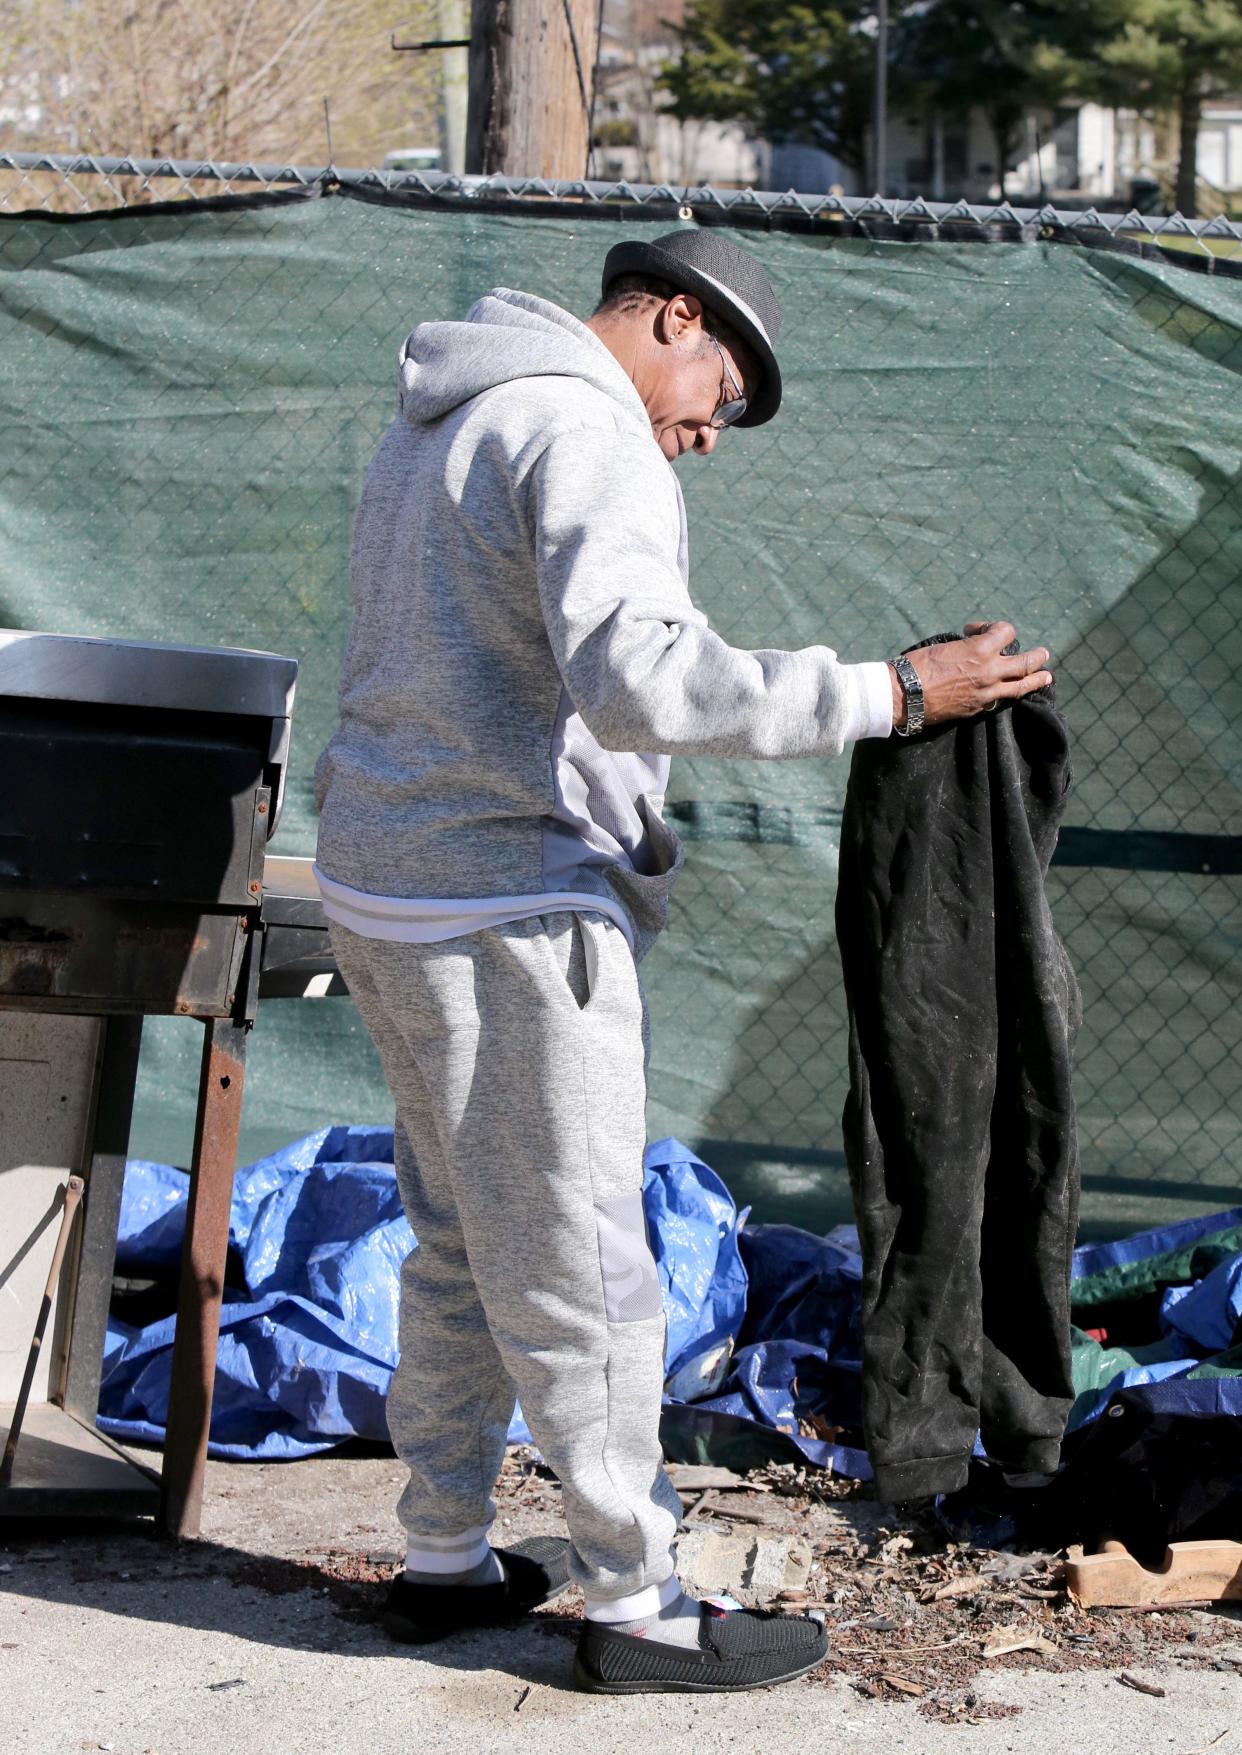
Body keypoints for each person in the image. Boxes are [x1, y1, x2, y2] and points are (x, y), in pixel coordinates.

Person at [313, 228, 1053, 1695]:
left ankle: (444, 1556)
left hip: (383, 879)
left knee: (460, 1240)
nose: (708, 433)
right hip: (505, 903)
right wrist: (893, 693)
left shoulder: (447, 409)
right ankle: (634, 1600)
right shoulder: (583, 429)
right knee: (584, 1257)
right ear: (668, 317)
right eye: (721, 387)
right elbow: (641, 682)